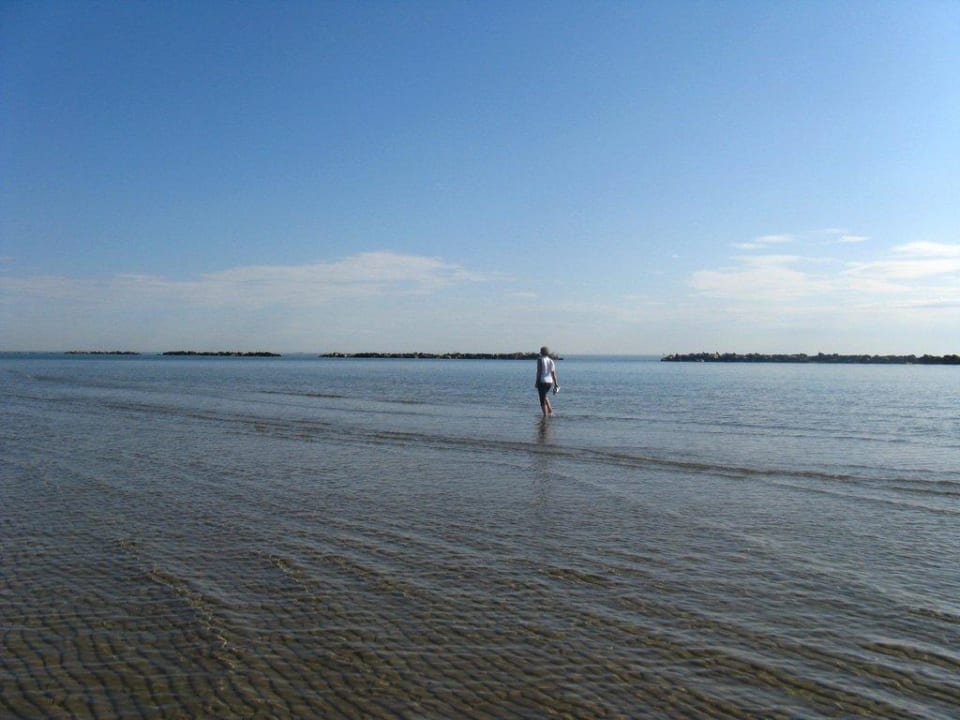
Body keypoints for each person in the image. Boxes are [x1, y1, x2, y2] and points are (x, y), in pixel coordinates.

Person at [534, 346, 559, 417]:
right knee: (545, 396)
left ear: (541, 352)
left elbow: (539, 371)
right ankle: (550, 411)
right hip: (549, 382)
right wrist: (556, 384)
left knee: (542, 400)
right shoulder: (551, 361)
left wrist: (536, 382)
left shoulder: (540, 360)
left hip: (542, 381)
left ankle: (545, 416)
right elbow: (553, 374)